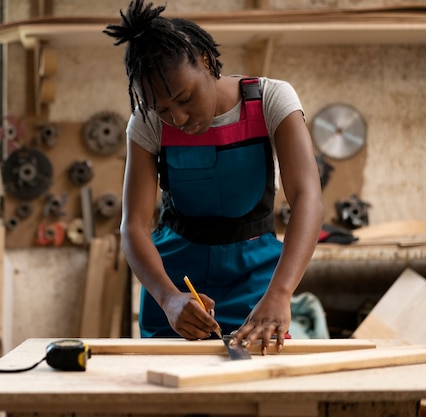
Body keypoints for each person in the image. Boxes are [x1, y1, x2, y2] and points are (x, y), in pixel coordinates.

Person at [104, 0, 324, 354]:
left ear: (206, 61)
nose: (176, 117)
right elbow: (133, 226)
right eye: (163, 109)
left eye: (185, 98)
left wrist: (280, 292)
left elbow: (307, 197)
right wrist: (168, 298)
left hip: (256, 280)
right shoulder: (146, 123)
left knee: (256, 387)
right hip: (178, 282)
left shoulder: (270, 99)